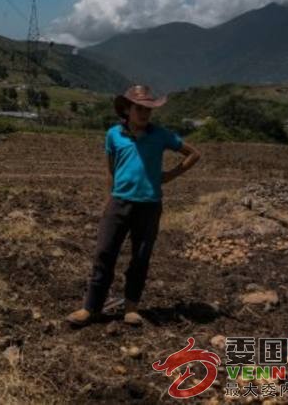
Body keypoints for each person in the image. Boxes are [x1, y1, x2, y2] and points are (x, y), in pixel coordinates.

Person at [66, 85, 201, 328]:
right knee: (104, 254)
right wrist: (109, 198)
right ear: (127, 109)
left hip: (149, 206)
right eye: (139, 108)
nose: (144, 113)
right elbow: (110, 168)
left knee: (140, 257)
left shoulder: (160, 135)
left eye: (148, 109)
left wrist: (168, 176)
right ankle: (91, 307)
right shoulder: (113, 135)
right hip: (119, 202)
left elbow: (193, 154)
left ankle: (131, 307)